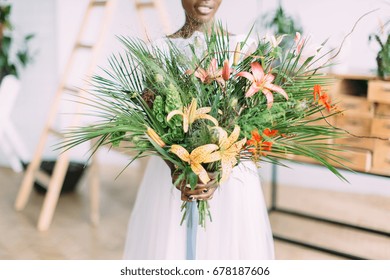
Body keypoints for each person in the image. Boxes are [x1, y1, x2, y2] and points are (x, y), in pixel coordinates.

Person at [123, 0, 275, 260]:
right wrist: (177, 170)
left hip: (232, 177)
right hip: (175, 177)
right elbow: (150, 123)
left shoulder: (243, 48)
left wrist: (219, 170)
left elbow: (252, 119)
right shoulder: (158, 52)